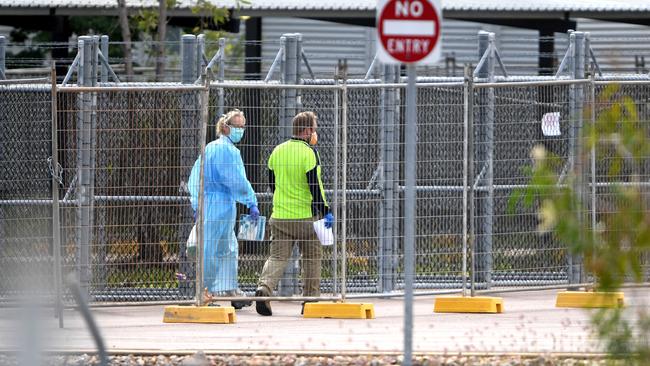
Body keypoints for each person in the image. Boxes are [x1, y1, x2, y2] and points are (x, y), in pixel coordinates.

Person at [255, 111, 334, 316]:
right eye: (314, 129)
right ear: (307, 130)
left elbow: (272, 183)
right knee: (312, 258)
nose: (315, 133)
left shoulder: (277, 151)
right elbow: (315, 186)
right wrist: (325, 211)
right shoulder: (309, 153)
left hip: (280, 216)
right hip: (306, 218)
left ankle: (264, 288)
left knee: (277, 257)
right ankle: (310, 300)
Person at [188, 109, 259, 309]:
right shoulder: (227, 151)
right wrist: (251, 200)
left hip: (212, 204)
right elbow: (235, 179)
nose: (241, 130)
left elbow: (195, 178)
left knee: (225, 247)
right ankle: (205, 293)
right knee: (213, 250)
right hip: (220, 205)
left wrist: (196, 203)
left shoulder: (210, 148)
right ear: (226, 127)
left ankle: (229, 289)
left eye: (243, 126)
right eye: (238, 126)